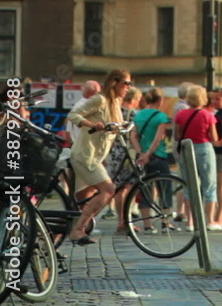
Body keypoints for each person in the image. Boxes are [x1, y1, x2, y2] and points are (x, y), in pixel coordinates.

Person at [65, 69, 132, 245]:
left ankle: (58, 236)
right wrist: (92, 124)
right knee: (108, 190)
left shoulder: (115, 102)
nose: (128, 87)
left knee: (82, 199)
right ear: (114, 82)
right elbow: (73, 115)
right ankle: (78, 230)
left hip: (95, 157)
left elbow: (116, 126)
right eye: (126, 83)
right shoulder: (100, 99)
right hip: (85, 155)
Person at [131, 87, 178, 232]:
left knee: (145, 188)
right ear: (160, 100)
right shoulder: (161, 117)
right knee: (164, 188)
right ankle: (165, 222)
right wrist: (149, 153)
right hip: (158, 156)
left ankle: (147, 224)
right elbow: (158, 139)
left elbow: (133, 136)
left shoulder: (138, 116)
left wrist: (141, 153)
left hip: (142, 158)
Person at [175, 85, 220, 231]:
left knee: (188, 186)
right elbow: (214, 138)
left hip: (187, 149)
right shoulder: (208, 115)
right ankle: (210, 221)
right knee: (209, 186)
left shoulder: (181, 114)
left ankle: (190, 222)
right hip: (204, 149)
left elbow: (177, 136)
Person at [109, 86, 142, 233]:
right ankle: (125, 220)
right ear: (134, 99)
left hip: (113, 152)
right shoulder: (135, 114)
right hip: (128, 152)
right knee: (127, 187)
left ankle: (120, 220)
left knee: (118, 187)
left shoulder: (114, 112)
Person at [207, 90, 222, 227]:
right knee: (221, 186)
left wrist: (221, 142)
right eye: (213, 99)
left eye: (218, 99)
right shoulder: (220, 113)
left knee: (221, 187)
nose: (214, 102)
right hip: (220, 152)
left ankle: (219, 218)